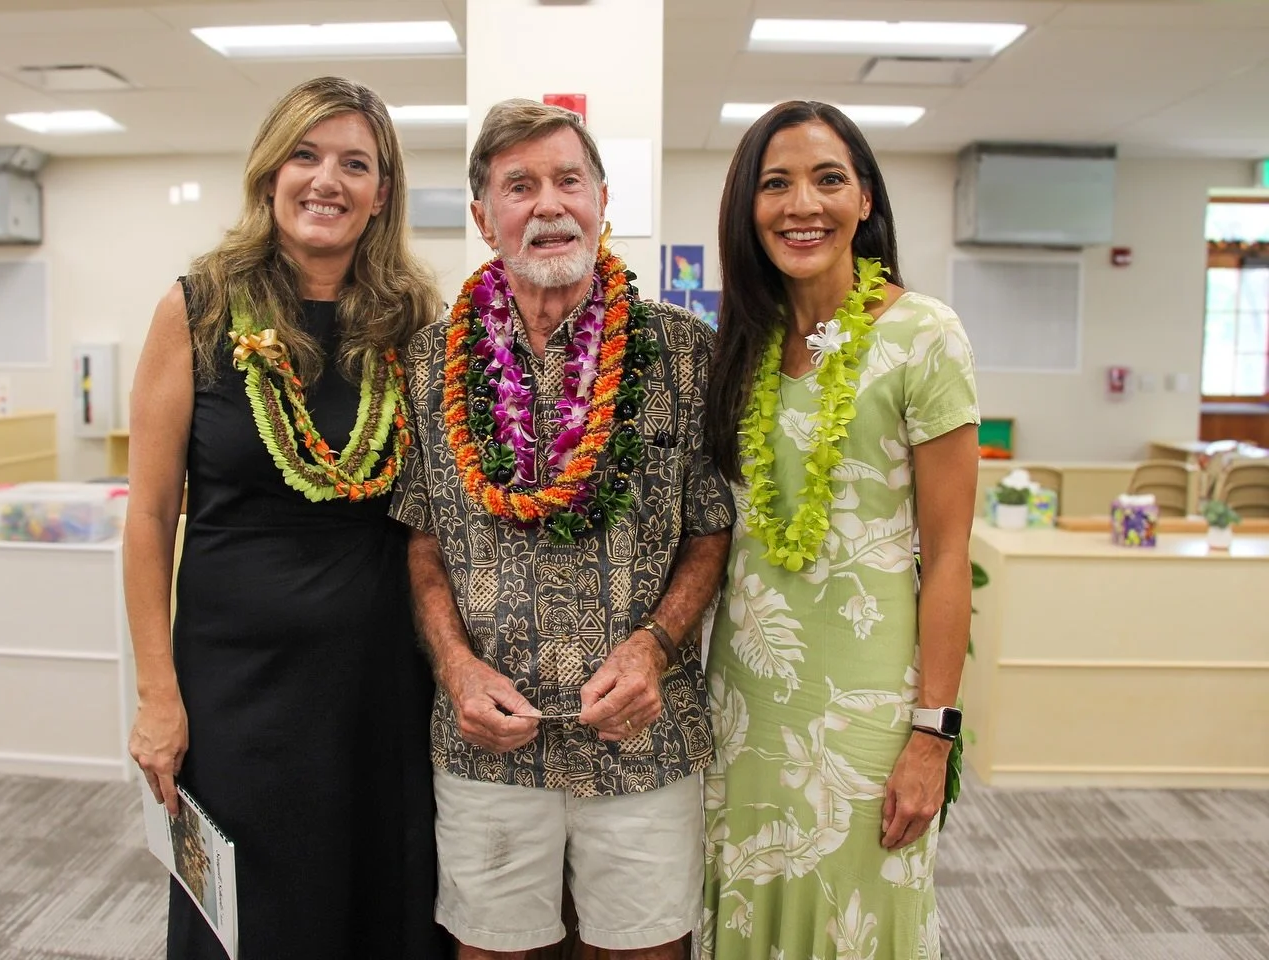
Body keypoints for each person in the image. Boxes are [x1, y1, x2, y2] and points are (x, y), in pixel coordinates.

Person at [391, 99, 735, 960]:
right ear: (482, 217)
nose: (548, 204)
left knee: (646, 952)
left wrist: (655, 645)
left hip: (644, 741)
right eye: (519, 186)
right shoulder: (429, 362)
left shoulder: (684, 352)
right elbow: (422, 540)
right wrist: (458, 667)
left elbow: (710, 530)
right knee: (494, 952)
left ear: (603, 200)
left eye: (567, 180)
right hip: (486, 743)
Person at [124, 76, 447, 958]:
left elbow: (439, 514)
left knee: (376, 905)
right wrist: (157, 696)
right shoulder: (196, 311)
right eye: (305, 155)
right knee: (252, 920)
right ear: (270, 172)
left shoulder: (415, 323)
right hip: (236, 689)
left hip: (378, 684)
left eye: (355, 163)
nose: (326, 181)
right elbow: (150, 517)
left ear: (382, 192)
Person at [700, 101, 980, 959]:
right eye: (775, 184)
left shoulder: (924, 336)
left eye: (829, 180)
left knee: (858, 918)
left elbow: (949, 557)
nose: (802, 205)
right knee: (748, 901)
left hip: (868, 703)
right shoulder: (743, 341)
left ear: (866, 201)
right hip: (744, 700)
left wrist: (934, 735)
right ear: (748, 208)